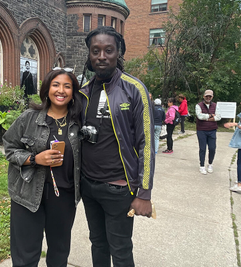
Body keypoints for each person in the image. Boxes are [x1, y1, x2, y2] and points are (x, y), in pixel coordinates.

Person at [79, 26, 154, 267]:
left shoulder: (134, 89)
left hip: (119, 189)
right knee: (98, 244)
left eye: (108, 50)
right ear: (89, 55)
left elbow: (147, 145)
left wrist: (144, 193)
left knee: (120, 249)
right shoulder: (83, 92)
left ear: (118, 53)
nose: (102, 56)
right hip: (89, 187)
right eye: (96, 50)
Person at [3, 68, 83, 267]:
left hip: (64, 196)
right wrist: (34, 159)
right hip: (27, 195)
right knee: (25, 256)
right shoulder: (29, 118)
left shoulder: (79, 123)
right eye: (56, 85)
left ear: (73, 92)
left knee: (59, 253)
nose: (61, 90)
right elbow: (10, 148)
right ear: (47, 89)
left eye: (67, 86)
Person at [195, 90, 221, 175]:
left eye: (210, 96)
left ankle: (210, 164)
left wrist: (206, 117)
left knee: (212, 148)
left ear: (212, 97)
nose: (208, 98)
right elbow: (199, 116)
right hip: (201, 130)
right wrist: (211, 115)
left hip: (212, 130)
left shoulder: (215, 105)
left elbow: (219, 117)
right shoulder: (198, 105)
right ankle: (202, 166)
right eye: (207, 96)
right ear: (204, 96)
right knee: (202, 148)